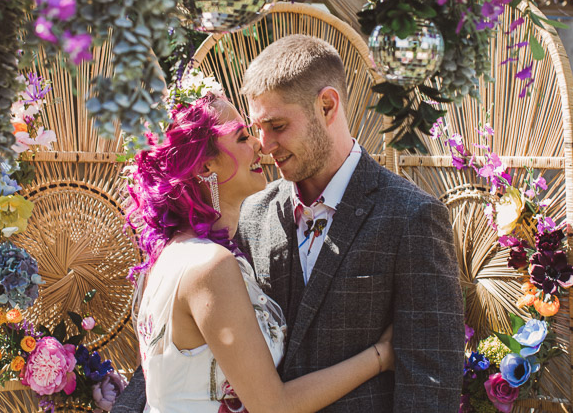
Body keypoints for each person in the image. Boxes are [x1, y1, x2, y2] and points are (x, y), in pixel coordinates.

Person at [116, 91, 394, 413]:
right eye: (243, 136)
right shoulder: (209, 267)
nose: (260, 144)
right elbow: (274, 405)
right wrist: (381, 355)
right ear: (207, 166)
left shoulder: (171, 257)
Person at [234, 35, 464, 411]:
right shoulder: (254, 214)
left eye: (276, 125)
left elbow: (431, 382)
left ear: (327, 105)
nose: (264, 144)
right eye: (257, 127)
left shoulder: (413, 217)